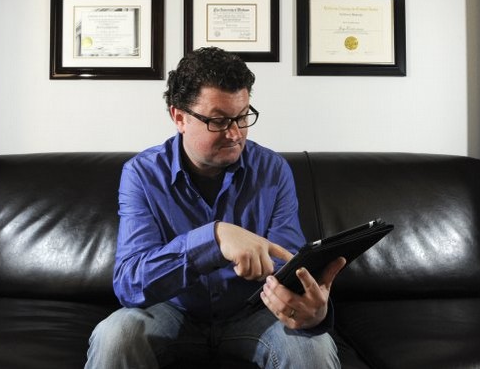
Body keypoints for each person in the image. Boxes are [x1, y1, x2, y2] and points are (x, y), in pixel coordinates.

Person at [85, 47, 346, 369]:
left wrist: (311, 309)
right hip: (171, 310)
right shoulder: (142, 175)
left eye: (242, 117)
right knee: (115, 336)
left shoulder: (273, 170)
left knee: (313, 347)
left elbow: (288, 262)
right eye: (219, 121)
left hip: (254, 312)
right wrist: (214, 238)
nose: (235, 134)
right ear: (179, 117)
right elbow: (130, 283)